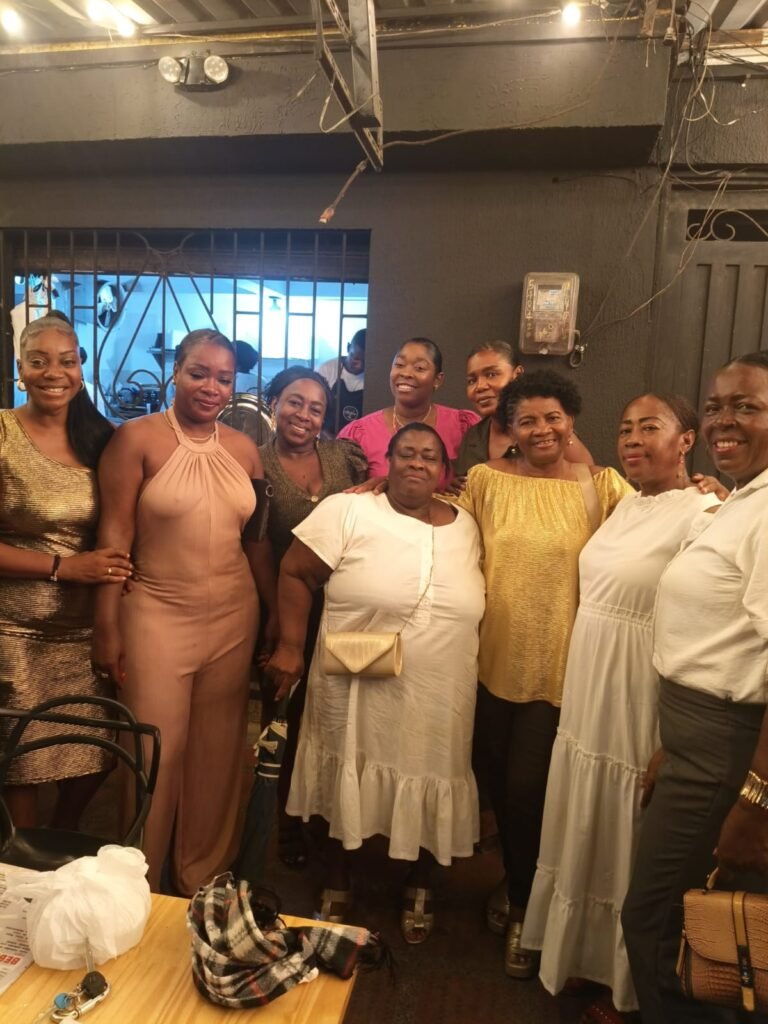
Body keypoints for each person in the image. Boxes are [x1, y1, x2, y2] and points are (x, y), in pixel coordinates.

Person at [521, 393, 721, 1021]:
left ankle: (628, 986)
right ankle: (584, 953)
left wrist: (677, 732)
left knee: (629, 825)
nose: (632, 439)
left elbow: (704, 621)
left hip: (641, 688)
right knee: (589, 817)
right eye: (626, 428)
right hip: (592, 684)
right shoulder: (627, 502)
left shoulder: (706, 513)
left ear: (686, 440)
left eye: (650, 428)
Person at [265, 423, 485, 942]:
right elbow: (294, 572)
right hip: (356, 679)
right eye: (406, 453)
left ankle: (421, 882)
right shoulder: (349, 510)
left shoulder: (468, 526)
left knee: (433, 767)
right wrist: (291, 644)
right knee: (348, 761)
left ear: (445, 470)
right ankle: (338, 877)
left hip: (441, 687)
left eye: (429, 456)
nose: (417, 463)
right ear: (386, 462)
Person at [455, 369, 632, 978]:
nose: (542, 430)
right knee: (496, 784)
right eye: (527, 420)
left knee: (529, 790)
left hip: (560, 669)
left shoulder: (603, 486)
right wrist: (380, 486)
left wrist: (702, 490)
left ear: (571, 420)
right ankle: (516, 880)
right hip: (488, 664)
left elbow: (655, 524)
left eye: (553, 417)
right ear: (509, 428)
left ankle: (526, 910)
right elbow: (437, 529)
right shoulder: (485, 481)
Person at [92, 328, 277, 896]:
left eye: (224, 378)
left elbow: (256, 543)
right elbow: (114, 537)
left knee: (217, 756)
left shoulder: (245, 449)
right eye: (199, 373)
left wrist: (274, 614)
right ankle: (139, 886)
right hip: (155, 612)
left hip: (234, 616)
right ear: (175, 371)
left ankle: (202, 881)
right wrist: (106, 625)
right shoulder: (135, 439)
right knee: (153, 753)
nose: (211, 387)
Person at [621, 352, 768, 1024]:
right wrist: (671, 745)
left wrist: (756, 802)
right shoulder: (743, 499)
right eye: (715, 407)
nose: (723, 421)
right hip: (695, 741)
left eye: (747, 407)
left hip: (726, 751)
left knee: (665, 927)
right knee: (684, 922)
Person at [0, 314, 132, 829]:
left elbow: (126, 522)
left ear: (81, 368)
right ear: (20, 370)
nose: (53, 373)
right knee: (24, 761)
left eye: (66, 361)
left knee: (95, 750)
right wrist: (63, 567)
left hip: (87, 630)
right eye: (38, 361)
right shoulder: (4, 434)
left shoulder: (103, 438)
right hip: (16, 630)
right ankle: (26, 857)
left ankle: (62, 834)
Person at [258, 365, 368, 868]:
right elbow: (258, 546)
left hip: (345, 608)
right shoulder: (256, 463)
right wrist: (274, 616)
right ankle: (282, 822)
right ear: (274, 404)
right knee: (284, 716)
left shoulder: (344, 457)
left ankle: (328, 817)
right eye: (295, 402)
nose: (304, 415)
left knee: (335, 716)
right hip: (284, 606)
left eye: (316, 407)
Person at [337, 337, 479, 489]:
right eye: (399, 365)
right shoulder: (359, 434)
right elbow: (342, 494)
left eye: (419, 368)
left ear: (438, 380)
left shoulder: (463, 426)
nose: (406, 373)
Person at [455, 340, 593, 475]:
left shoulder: (553, 434)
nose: (480, 386)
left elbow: (588, 482)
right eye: (472, 381)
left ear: (517, 374)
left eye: (491, 374)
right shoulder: (473, 436)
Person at [317, 328, 366, 435]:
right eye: (356, 358)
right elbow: (315, 407)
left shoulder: (373, 378)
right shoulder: (327, 369)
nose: (360, 365)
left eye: (365, 361)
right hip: (327, 437)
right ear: (348, 347)